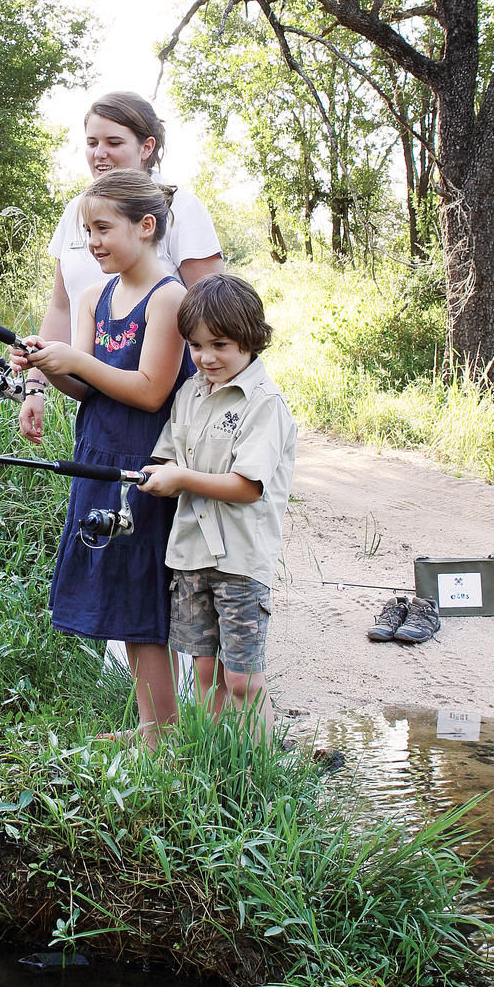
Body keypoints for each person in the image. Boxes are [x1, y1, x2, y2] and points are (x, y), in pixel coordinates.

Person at [16, 171, 188, 743]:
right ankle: (150, 726)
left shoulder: (170, 298)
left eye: (103, 228)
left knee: (142, 593)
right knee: (115, 584)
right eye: (87, 229)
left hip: (146, 463)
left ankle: (161, 735)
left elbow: (149, 390)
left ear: (146, 226)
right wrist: (47, 365)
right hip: (97, 453)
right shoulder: (95, 295)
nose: (91, 240)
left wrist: (75, 360)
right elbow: (87, 388)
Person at [138, 274, 297, 738]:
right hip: (190, 555)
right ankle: (217, 765)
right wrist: (159, 474)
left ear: (250, 340)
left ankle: (259, 771)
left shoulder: (264, 404)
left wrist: (181, 479)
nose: (206, 358)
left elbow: (248, 486)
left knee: (243, 678)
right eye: (196, 346)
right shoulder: (188, 394)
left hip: (241, 559)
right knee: (206, 677)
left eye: (220, 345)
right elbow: (167, 453)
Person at [17, 93, 222, 447]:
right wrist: (39, 377)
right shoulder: (76, 212)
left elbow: (218, 314)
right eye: (92, 142)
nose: (100, 153)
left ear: (147, 147)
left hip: (165, 427)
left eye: (114, 142)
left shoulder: (182, 210)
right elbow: (61, 307)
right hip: (100, 425)